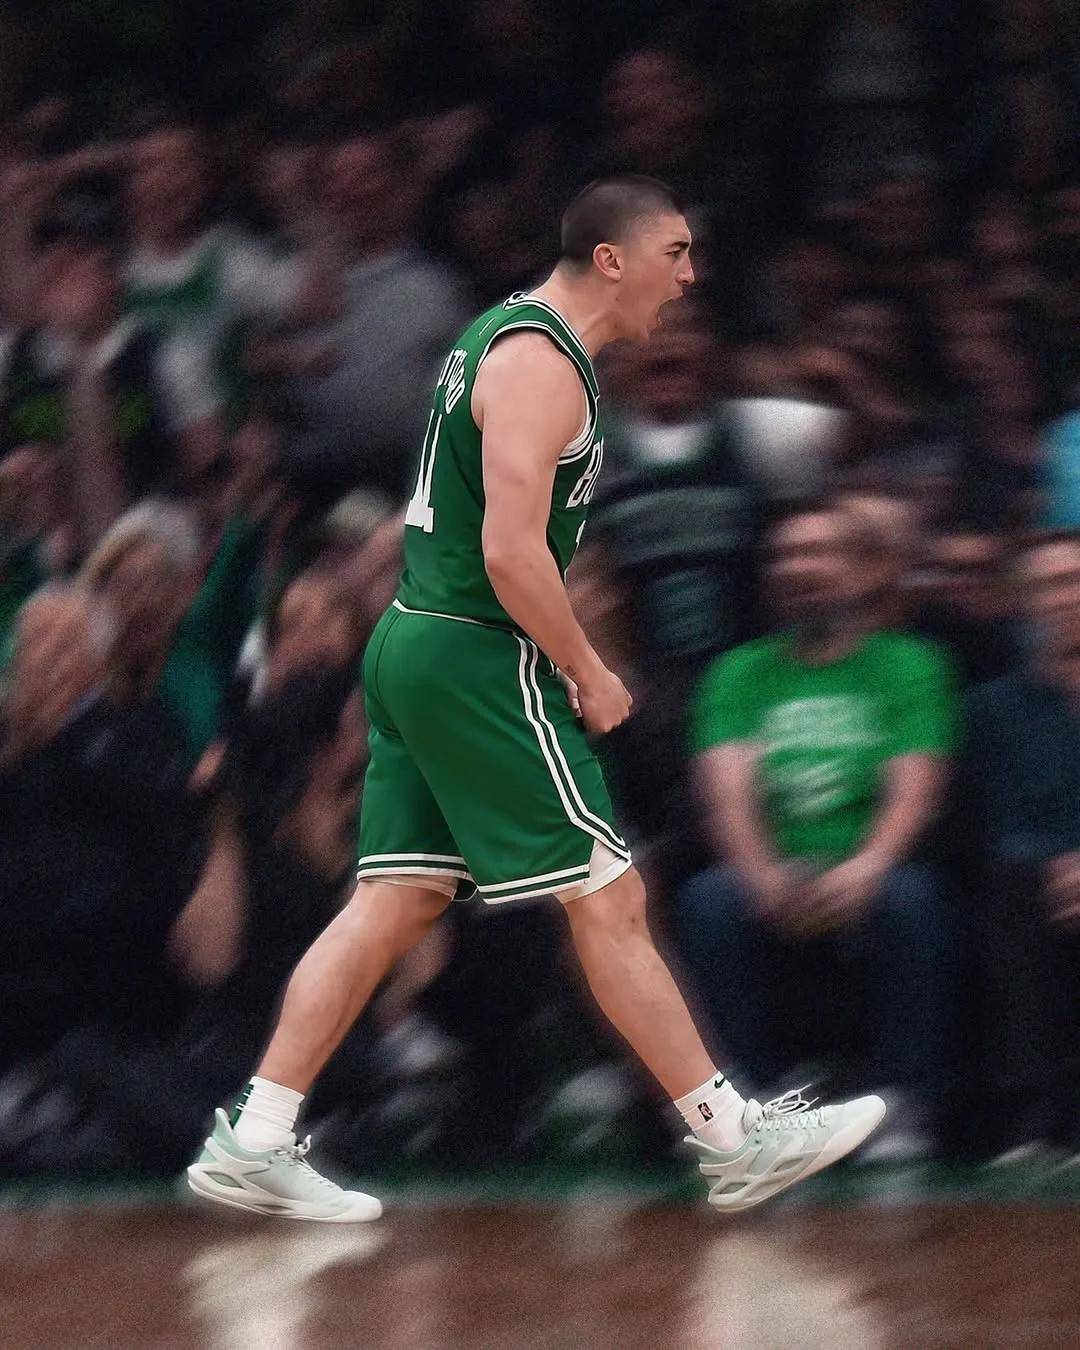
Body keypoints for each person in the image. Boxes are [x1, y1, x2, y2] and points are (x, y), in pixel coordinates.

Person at [187, 176, 885, 1222]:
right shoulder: (540, 362)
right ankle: (730, 1137)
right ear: (611, 260)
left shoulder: (512, 346)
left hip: (425, 648)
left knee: (390, 905)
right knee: (607, 896)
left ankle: (255, 1135)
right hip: (470, 656)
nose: (688, 283)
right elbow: (512, 550)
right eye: (674, 259)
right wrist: (586, 665)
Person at [677, 500, 958, 1159]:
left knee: (912, 899)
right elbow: (727, 789)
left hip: (871, 863)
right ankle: (749, 1105)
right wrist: (760, 874)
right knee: (711, 900)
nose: (797, 568)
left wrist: (868, 866)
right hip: (775, 865)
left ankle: (900, 1105)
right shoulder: (738, 672)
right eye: (785, 555)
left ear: (863, 571)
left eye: (818, 552)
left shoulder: (911, 664)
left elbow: (916, 784)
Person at [965, 531, 1080, 1160]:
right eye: (1045, 587)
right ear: (1023, 605)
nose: (1062, 598)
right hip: (1038, 886)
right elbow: (992, 822)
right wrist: (1056, 867)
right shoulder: (993, 708)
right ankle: (1036, 1122)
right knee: (1010, 883)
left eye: (1072, 582)